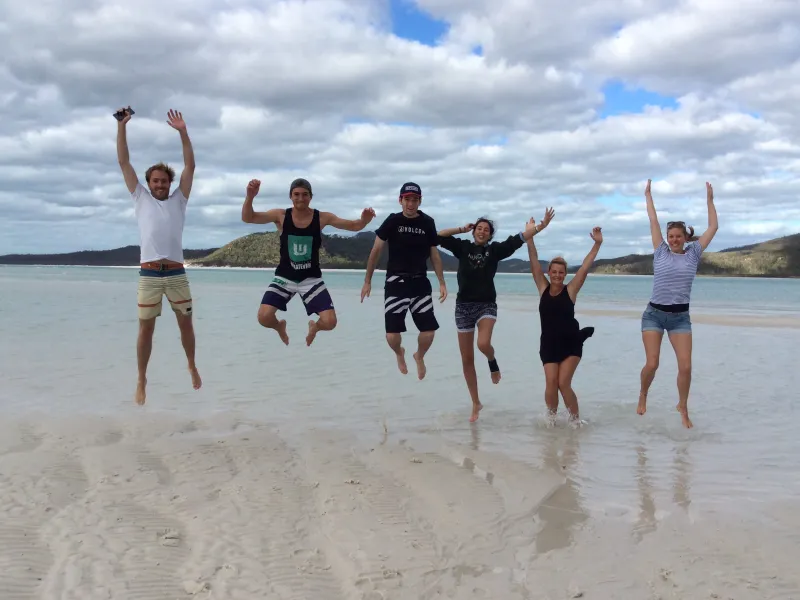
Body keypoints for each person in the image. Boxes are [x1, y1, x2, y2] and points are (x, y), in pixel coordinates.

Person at [115, 107, 200, 406]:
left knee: (186, 324)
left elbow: (190, 166)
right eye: (155, 181)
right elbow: (124, 161)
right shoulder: (140, 198)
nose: (160, 185)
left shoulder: (180, 199)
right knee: (145, 328)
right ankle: (141, 378)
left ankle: (190, 364)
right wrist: (122, 126)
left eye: (164, 181)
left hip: (176, 272)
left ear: (169, 183)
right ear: (148, 183)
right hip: (150, 273)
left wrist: (183, 132)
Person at [242, 177, 375, 346]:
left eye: (305, 194)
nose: (300, 198)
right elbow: (248, 218)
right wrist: (250, 197)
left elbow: (353, 226)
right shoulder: (281, 215)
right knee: (264, 317)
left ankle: (314, 327)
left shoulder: (322, 217)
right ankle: (279, 326)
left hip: (311, 279)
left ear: (311, 197)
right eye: (296, 194)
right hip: (285, 278)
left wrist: (364, 220)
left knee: (330, 322)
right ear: (290, 196)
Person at [437, 216, 544, 422]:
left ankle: (492, 361)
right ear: (473, 230)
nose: (482, 231)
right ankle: (476, 402)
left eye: (486, 229)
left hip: (486, 305)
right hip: (463, 307)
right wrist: (460, 228)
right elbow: (438, 236)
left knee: (483, 343)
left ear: (490, 234)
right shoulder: (462, 247)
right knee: (467, 360)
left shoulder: (494, 251)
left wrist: (540, 227)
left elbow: (519, 239)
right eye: (479, 228)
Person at [638, 179, 718, 429]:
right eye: (670, 236)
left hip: (680, 318)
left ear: (685, 238)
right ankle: (643, 394)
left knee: (686, 366)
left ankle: (682, 406)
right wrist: (648, 196)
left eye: (677, 237)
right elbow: (653, 220)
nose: (673, 240)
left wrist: (709, 200)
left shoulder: (694, 253)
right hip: (653, 314)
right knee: (653, 363)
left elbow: (713, 227)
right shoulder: (660, 251)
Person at [361, 182, 447, 379]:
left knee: (429, 331)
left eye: (414, 200)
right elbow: (376, 251)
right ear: (400, 200)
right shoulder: (392, 221)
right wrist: (367, 281)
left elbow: (435, 254)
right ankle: (400, 353)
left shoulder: (427, 222)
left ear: (420, 201)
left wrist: (441, 282)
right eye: (407, 199)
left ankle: (419, 356)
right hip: (395, 282)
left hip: (420, 282)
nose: (410, 203)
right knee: (392, 336)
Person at [526, 209, 601, 425]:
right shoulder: (543, 288)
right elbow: (533, 262)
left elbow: (585, 268)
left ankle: (575, 422)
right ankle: (551, 422)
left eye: (561, 272)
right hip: (549, 344)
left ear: (565, 274)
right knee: (551, 383)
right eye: (554, 272)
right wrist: (530, 235)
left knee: (563, 383)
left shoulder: (571, 290)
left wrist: (596, 244)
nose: (557, 275)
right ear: (549, 273)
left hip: (571, 343)